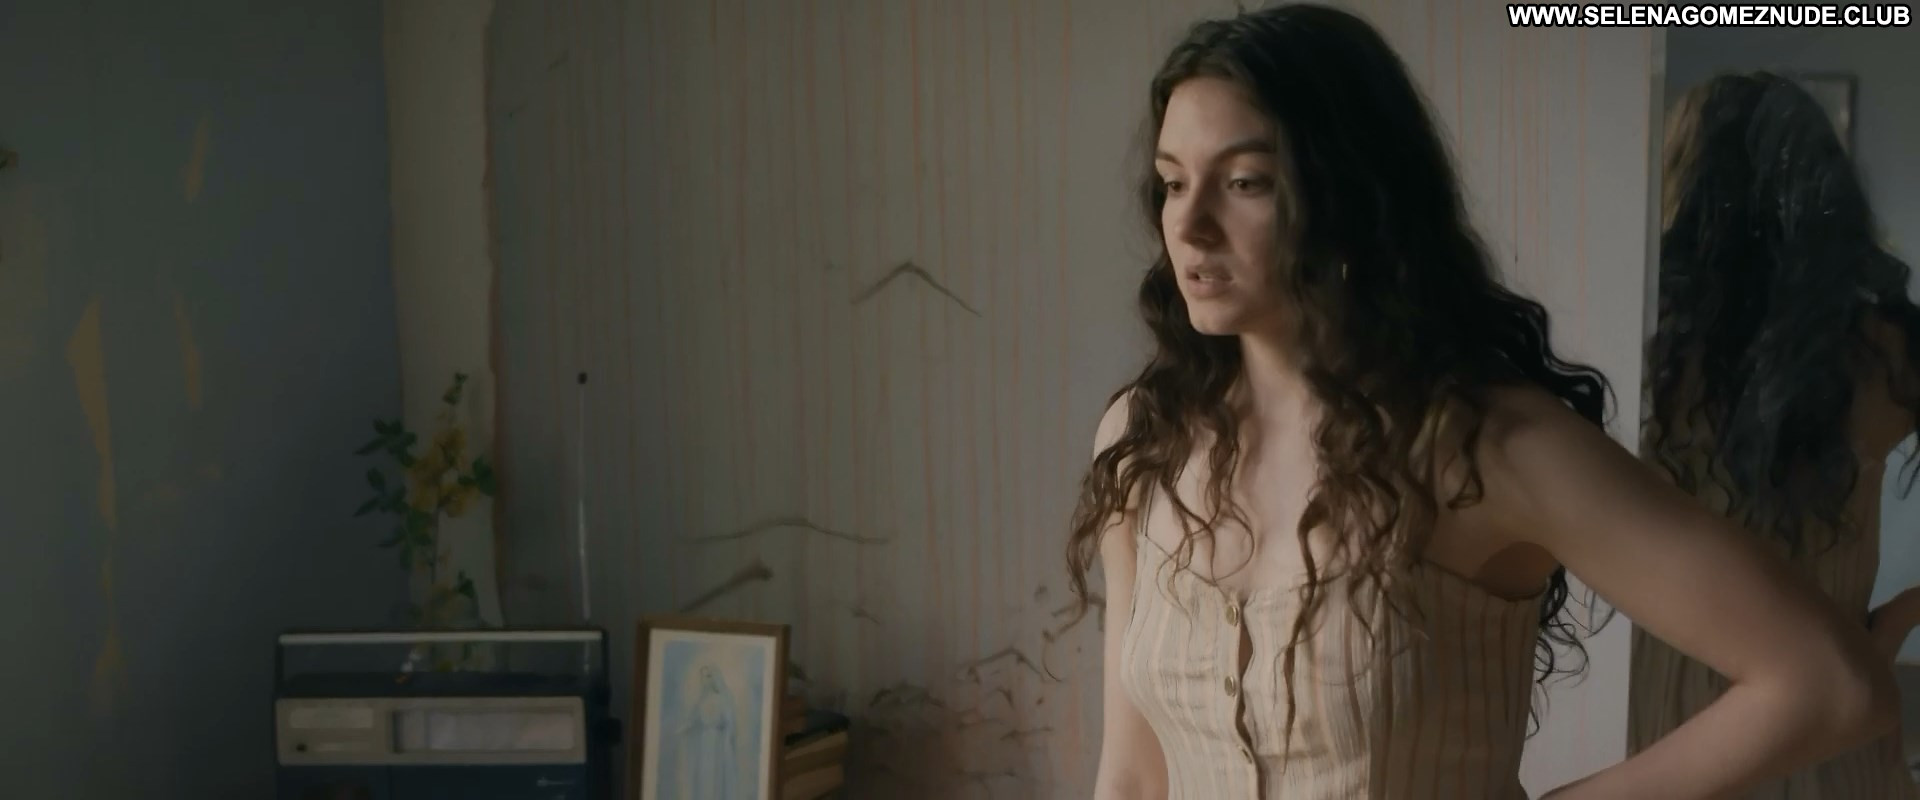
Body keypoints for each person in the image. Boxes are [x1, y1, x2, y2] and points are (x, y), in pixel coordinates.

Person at [1062, 6, 1897, 799]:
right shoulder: (1142, 439)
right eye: (1173, 183)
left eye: (1245, 181)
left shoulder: (1486, 446)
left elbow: (1828, 682)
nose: (1190, 225)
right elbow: (1131, 777)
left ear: (1352, 196)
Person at [1629, 71, 1920, 798]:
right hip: (1836, 732)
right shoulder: (1883, 354)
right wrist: (1892, 627)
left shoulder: (1640, 354)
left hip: (1682, 738)